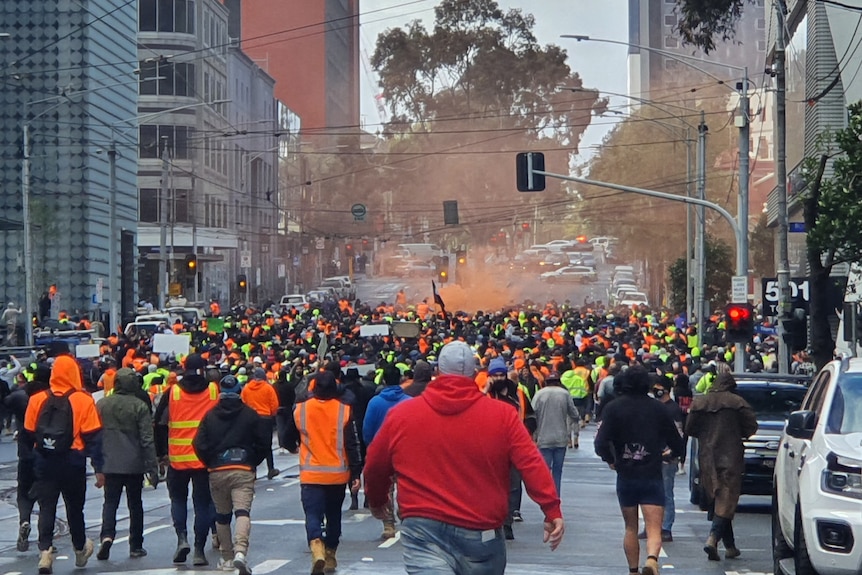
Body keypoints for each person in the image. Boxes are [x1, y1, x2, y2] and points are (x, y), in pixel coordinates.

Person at [364, 341, 564, 575]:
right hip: (481, 529)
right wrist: (551, 509)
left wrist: (378, 501)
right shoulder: (503, 416)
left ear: (437, 373)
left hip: (423, 527)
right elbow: (531, 464)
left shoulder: (401, 415)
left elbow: (376, 465)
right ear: (474, 374)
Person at [594, 365, 685, 575]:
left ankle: (633, 570)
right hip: (652, 473)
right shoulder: (658, 409)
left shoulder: (614, 408)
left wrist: (611, 459)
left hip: (626, 474)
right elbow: (677, 442)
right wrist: (670, 455)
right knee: (654, 527)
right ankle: (652, 559)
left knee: (630, 527)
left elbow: (601, 442)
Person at [23, 354, 105, 574]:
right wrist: (100, 469)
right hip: (73, 462)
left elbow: (28, 433)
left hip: (45, 461)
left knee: (46, 507)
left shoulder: (37, 399)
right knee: (75, 508)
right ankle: (80, 549)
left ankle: (45, 552)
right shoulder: (84, 400)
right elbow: (94, 438)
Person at [285, 371, 363, 575]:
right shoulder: (344, 410)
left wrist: (295, 447)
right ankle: (330, 554)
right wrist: (356, 473)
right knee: (334, 515)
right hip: (338, 474)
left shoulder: (301, 409)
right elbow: (353, 444)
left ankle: (317, 546)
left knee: (312, 514)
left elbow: (286, 436)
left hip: (311, 474)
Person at [193, 375, 270, 575]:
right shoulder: (250, 415)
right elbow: (264, 442)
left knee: (222, 515)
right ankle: (241, 552)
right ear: (239, 391)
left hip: (217, 470)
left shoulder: (210, 416)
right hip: (243, 469)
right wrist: (252, 461)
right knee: (242, 512)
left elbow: (198, 443)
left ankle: (227, 557)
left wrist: (210, 462)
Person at [685, 372, 757, 561]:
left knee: (717, 497)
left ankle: (730, 546)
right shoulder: (737, 402)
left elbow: (689, 428)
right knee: (727, 497)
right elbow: (751, 426)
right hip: (731, 455)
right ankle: (713, 538)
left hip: (707, 455)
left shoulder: (700, 402)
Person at [155, 353, 218, 566]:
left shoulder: (172, 392)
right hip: (204, 459)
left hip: (177, 459)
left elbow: (159, 424)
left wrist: (161, 453)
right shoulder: (212, 390)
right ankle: (199, 549)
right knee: (202, 504)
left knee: (178, 501)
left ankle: (181, 538)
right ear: (203, 368)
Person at [96, 368, 159, 560]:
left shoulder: (102, 404)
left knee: (110, 502)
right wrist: (152, 468)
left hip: (110, 462)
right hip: (134, 464)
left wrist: (97, 464)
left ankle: (107, 536)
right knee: (135, 504)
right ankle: (136, 545)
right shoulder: (139, 406)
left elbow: (94, 435)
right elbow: (147, 440)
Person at [485, 357, 536, 540]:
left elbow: (530, 415)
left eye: (501, 375)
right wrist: (485, 389)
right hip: (490, 447)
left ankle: (507, 522)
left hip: (514, 446)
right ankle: (493, 520)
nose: (499, 378)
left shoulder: (518, 393)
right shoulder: (485, 394)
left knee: (512, 485)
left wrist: (526, 433)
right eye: (495, 375)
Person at [5, 364, 50, 551]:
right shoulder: (52, 398)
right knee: (46, 498)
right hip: (46, 453)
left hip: (25, 452)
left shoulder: (19, 396)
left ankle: (24, 520)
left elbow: (5, 401)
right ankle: (45, 540)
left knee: (23, 493)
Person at [363, 364, 410, 539]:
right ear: (400, 380)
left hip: (382, 453)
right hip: (405, 452)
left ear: (383, 380)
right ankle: (407, 517)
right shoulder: (409, 402)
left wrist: (372, 447)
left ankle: (388, 524)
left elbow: (367, 430)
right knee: (406, 487)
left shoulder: (374, 403)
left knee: (386, 489)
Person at [637, 377, 684, 543]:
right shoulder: (654, 408)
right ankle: (650, 526)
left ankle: (665, 528)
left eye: (658, 388)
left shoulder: (673, 409)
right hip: (653, 455)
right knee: (649, 493)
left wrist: (671, 453)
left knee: (666, 493)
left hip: (667, 458)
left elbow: (679, 433)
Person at [532, 371, 580, 497]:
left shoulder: (539, 394)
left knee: (545, 470)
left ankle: (546, 495)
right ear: (559, 382)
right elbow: (574, 413)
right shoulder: (564, 394)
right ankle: (556, 495)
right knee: (557, 471)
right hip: (560, 438)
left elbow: (532, 413)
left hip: (544, 438)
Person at [240, 367, 280, 480]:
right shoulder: (268, 388)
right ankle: (270, 469)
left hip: (251, 419)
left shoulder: (247, 388)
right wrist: (272, 414)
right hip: (265, 419)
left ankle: (252, 470)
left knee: (252, 444)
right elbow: (274, 404)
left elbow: (242, 403)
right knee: (267, 445)